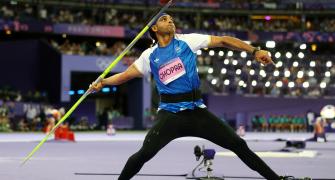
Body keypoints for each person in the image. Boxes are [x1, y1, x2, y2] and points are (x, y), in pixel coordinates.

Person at [90, 13, 299, 180]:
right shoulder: (149, 56)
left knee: (239, 145)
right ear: (154, 29)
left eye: (171, 18)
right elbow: (125, 76)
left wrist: (254, 51)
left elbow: (224, 41)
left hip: (197, 112)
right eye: (164, 19)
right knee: (144, 154)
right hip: (170, 116)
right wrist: (103, 82)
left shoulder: (187, 41)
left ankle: (275, 178)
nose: (170, 20)